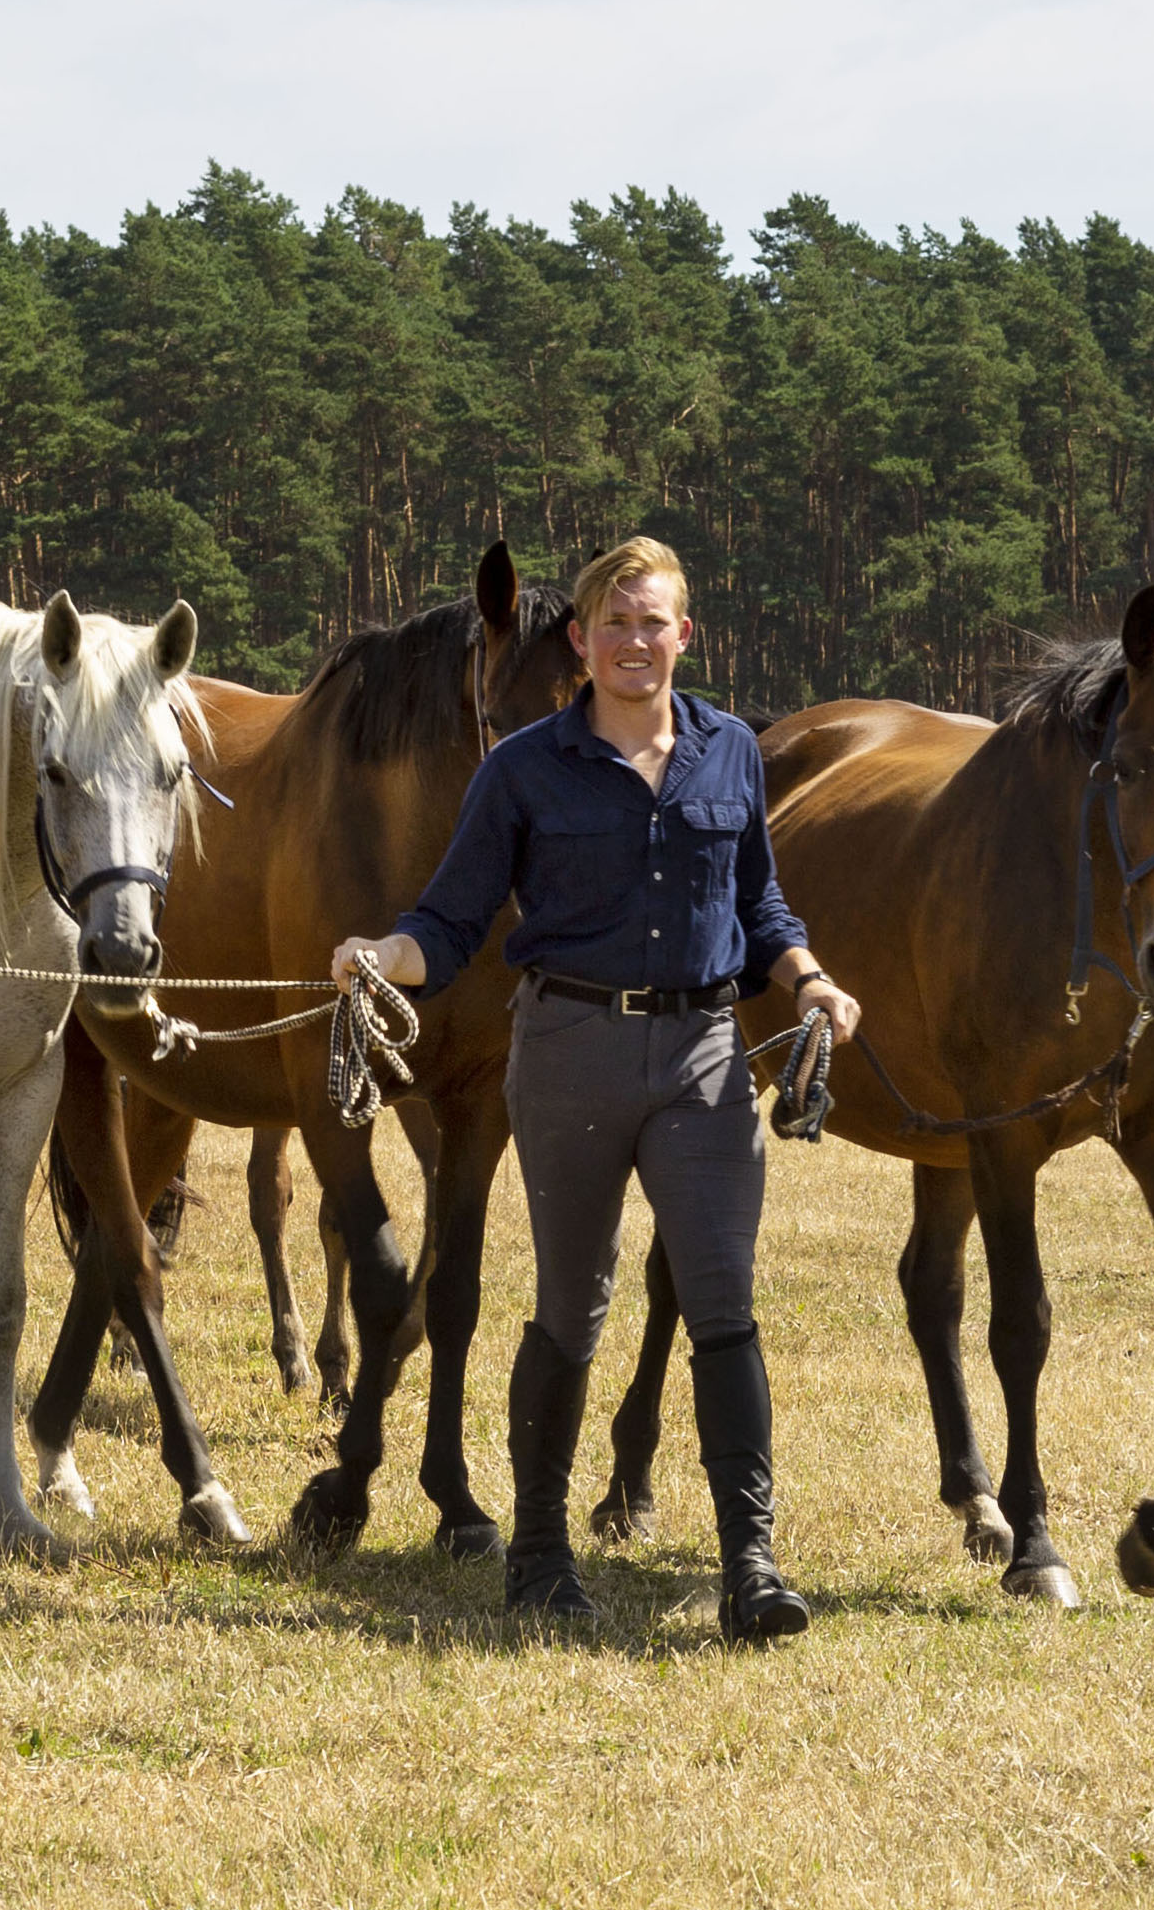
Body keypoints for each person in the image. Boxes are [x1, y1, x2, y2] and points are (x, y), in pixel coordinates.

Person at [335, 537, 863, 1637]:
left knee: (722, 1300)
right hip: (569, 1050)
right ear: (579, 641)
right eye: (612, 623)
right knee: (572, 1308)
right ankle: (537, 1554)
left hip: (704, 1054)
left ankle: (749, 1567)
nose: (633, 641)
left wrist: (809, 980)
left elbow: (762, 905)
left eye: (652, 621)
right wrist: (386, 955)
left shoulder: (732, 755)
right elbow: (452, 916)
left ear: (685, 634)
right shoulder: (523, 767)